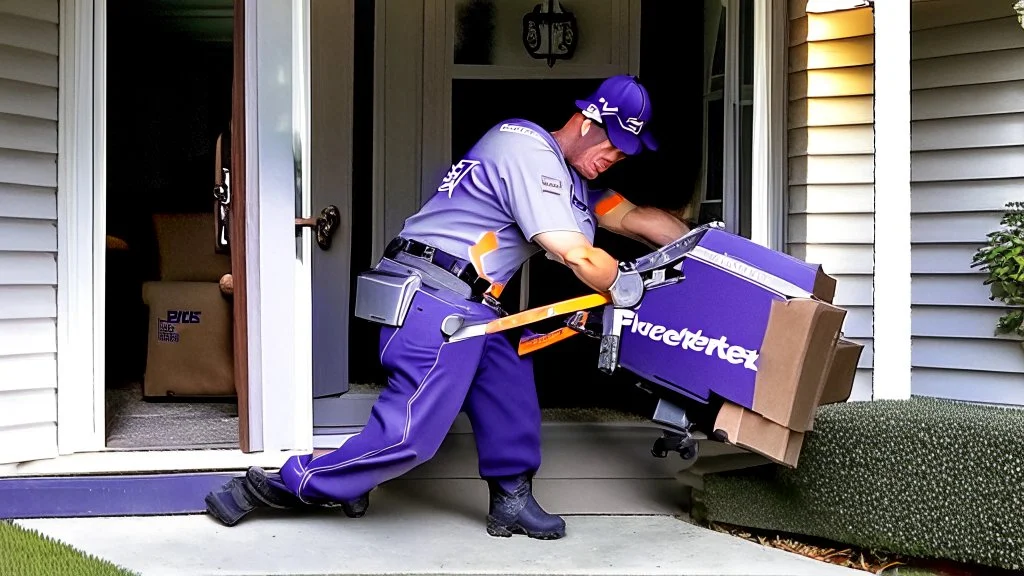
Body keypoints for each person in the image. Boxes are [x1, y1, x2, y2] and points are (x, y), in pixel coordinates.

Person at [205, 75, 692, 539]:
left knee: (510, 388)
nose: (615, 158)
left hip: (473, 304)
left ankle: (511, 500)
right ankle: (284, 483)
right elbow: (576, 253)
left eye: (627, 152)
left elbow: (636, 220)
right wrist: (627, 285)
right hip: (433, 296)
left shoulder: (578, 182)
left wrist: (709, 248)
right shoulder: (524, 146)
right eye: (614, 145)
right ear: (587, 122)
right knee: (409, 435)